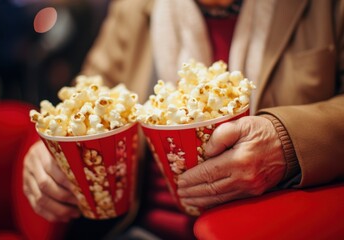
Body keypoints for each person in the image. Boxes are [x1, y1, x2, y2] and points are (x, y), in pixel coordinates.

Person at [23, 0, 344, 239]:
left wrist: (286, 141)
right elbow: (87, 97)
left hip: (269, 225)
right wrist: (53, 153)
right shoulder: (134, 7)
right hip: (140, 227)